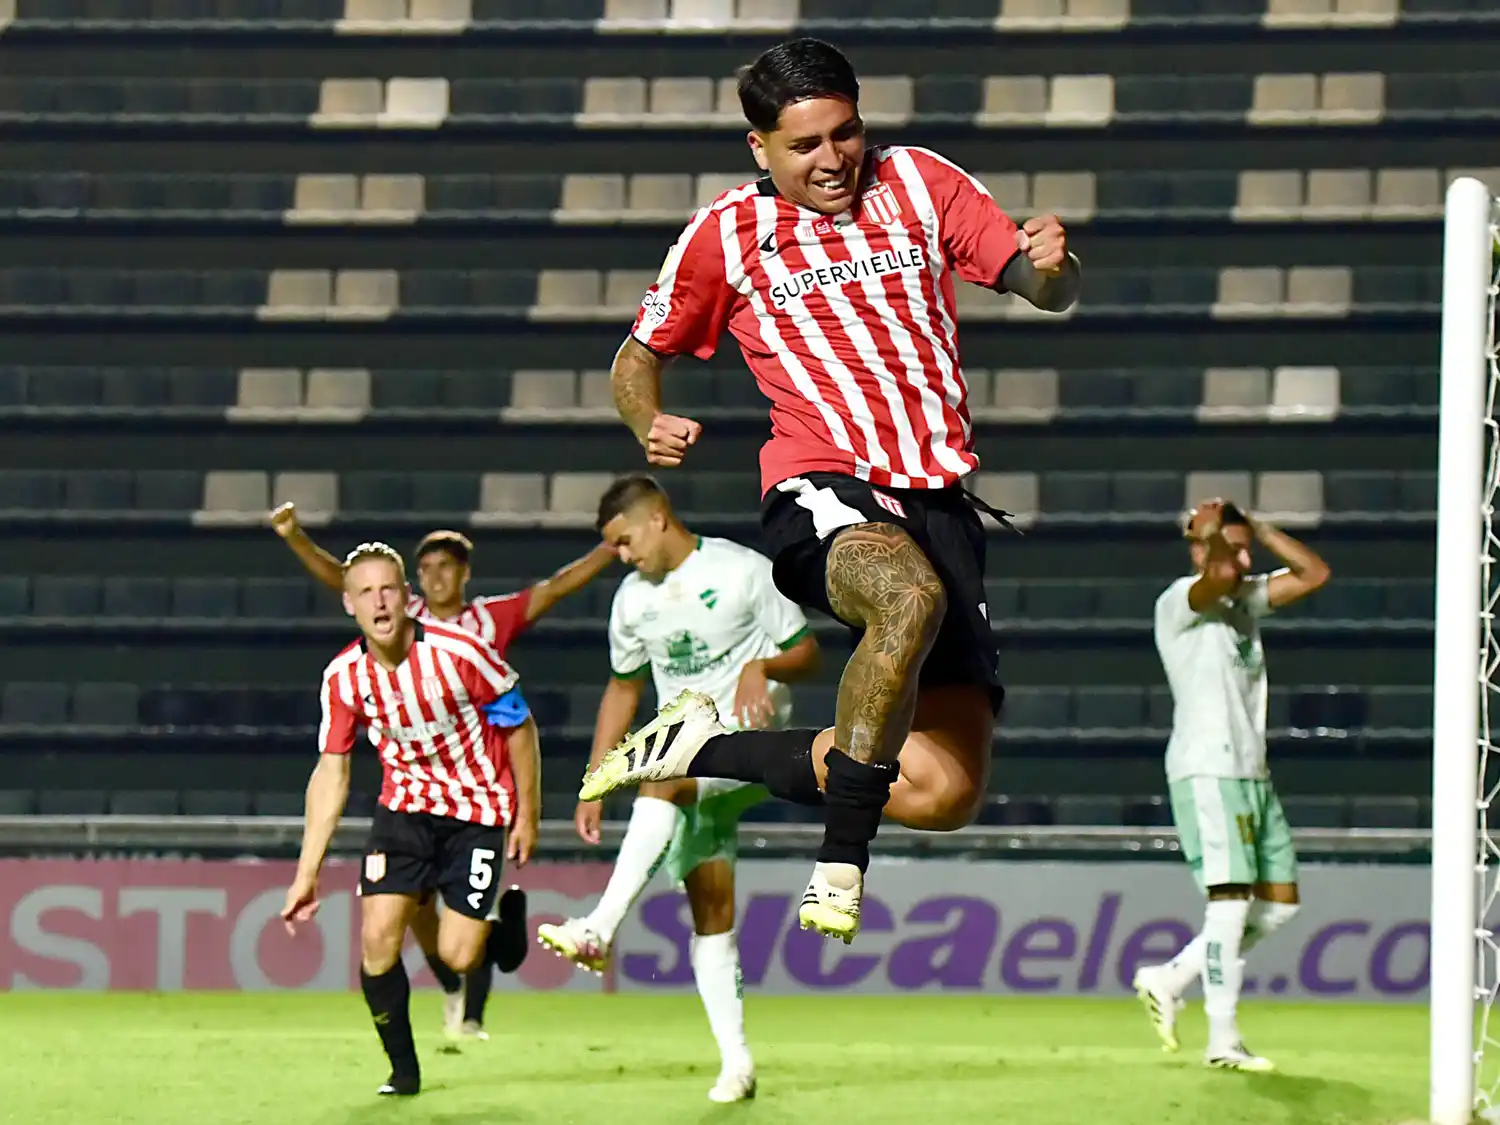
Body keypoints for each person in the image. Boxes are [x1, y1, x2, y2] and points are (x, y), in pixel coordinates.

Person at [576, 36, 1081, 944]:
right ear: (759, 148)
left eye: (844, 134)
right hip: (823, 487)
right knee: (904, 595)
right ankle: (841, 862)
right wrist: (642, 419)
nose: (833, 159)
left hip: (942, 501)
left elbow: (1044, 289)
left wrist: (1052, 265)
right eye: (804, 145)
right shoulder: (727, 234)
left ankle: (699, 744)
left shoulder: (920, 183)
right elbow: (635, 354)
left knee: (945, 790)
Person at [271, 502, 615, 1039]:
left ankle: (471, 993)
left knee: (459, 940)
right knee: (412, 918)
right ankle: (458, 988)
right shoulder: (391, 612)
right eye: (425, 567)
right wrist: (294, 538)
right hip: (413, 800)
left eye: (446, 566)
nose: (434, 576)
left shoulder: (485, 625)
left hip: (478, 793)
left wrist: (609, 548)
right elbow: (343, 577)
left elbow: (554, 589)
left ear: (464, 573)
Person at [538, 476, 820, 1103]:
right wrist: (594, 781)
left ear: (658, 519)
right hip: (688, 757)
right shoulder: (632, 601)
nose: (624, 556)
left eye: (626, 541)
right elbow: (623, 689)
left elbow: (807, 652)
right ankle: (738, 1064)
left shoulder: (743, 571)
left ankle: (600, 929)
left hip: (752, 738)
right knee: (711, 911)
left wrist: (761, 665)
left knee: (664, 772)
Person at [281, 542, 540, 1097]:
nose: (378, 603)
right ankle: (404, 1072)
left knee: (459, 955)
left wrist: (527, 813)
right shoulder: (343, 678)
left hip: (476, 811)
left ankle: (501, 931)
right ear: (348, 605)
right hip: (404, 811)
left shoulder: (460, 653)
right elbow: (332, 774)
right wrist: (307, 872)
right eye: (365, 593)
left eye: (388, 590)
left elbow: (519, 726)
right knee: (377, 942)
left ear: (407, 597)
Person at [1132, 499, 1331, 1072]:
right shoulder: (1179, 601)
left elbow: (1314, 575)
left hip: (1252, 770)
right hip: (1207, 767)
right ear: (1201, 548)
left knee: (1281, 905)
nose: (1243, 558)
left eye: (1248, 549)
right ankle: (1222, 1038)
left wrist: (1263, 529)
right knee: (1230, 902)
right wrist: (1217, 535)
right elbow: (1216, 574)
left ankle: (1172, 977)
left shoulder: (1245, 602)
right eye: (1233, 547)